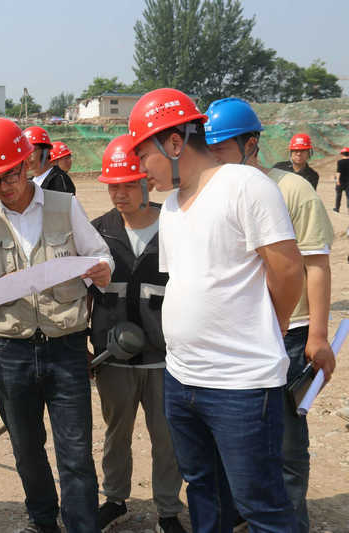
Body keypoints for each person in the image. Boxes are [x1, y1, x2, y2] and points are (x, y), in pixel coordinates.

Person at [129, 88, 304, 532]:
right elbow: (188, 282)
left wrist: (274, 325)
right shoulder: (171, 206)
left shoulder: (244, 185)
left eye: (143, 154)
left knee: (260, 505)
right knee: (204, 491)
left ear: (174, 143)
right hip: (182, 379)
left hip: (240, 384)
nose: (140, 169)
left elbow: (287, 271)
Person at [0, 117, 114, 533]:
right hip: (12, 351)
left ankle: (81, 525)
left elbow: (100, 255)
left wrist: (103, 269)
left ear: (26, 164)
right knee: (26, 448)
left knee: (75, 451)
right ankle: (43, 521)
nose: (3, 187)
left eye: (9, 175)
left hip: (66, 346)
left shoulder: (65, 206)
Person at [205, 97, 336, 533]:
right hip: (233, 336)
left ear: (251, 144)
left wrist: (318, 334)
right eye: (209, 149)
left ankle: (291, 521)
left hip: (289, 335)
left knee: (286, 445)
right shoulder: (212, 192)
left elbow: (316, 264)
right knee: (232, 437)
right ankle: (241, 517)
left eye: (221, 148)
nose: (214, 157)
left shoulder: (292, 190)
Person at [90, 134, 185, 533]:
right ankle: (114, 499)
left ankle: (168, 509)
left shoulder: (177, 226)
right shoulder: (97, 233)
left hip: (165, 360)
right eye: (113, 185)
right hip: (113, 360)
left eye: (128, 184)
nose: (119, 194)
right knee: (117, 432)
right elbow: (79, 296)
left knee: (167, 437)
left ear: (147, 180)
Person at [24, 125, 76, 194]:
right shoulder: (29, 182)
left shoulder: (59, 181)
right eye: (24, 152)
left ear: (46, 151)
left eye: (31, 151)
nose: (26, 157)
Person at [333, 147, 349, 213]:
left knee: (338, 195)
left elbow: (338, 172)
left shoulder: (340, 162)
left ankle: (337, 208)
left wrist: (337, 180)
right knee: (348, 196)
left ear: (342, 154)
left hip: (341, 181)